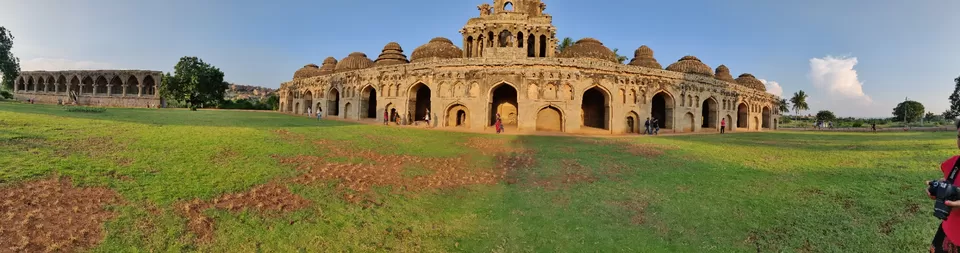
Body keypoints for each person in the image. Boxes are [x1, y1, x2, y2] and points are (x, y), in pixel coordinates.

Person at [927, 120, 960, 252]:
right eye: (959, 136)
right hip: (948, 231)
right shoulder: (953, 163)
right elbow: (946, 181)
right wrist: (937, 188)